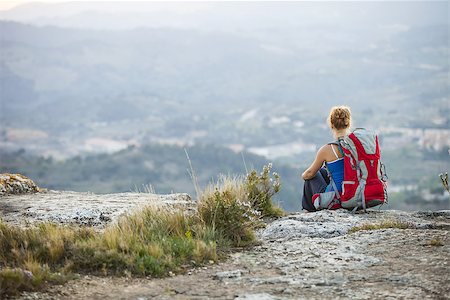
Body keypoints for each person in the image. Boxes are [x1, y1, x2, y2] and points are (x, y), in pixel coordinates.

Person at [301, 106, 352, 212]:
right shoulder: (355, 146)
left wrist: (303, 175)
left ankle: (308, 210)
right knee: (322, 171)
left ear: (331, 124)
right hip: (352, 193)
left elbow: (309, 174)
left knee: (311, 176)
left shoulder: (327, 149)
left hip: (336, 199)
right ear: (348, 123)